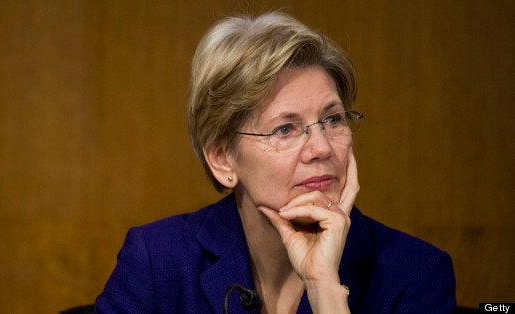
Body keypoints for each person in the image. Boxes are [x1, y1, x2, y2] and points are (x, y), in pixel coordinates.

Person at [95, 11, 456, 313]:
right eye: (285, 128)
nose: (322, 148)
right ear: (223, 158)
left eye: (333, 120)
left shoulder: (415, 274)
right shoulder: (159, 262)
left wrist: (325, 288)